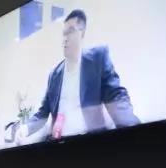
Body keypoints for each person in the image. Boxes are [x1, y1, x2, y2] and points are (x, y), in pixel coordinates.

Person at [20, 9, 139, 143]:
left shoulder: (97, 59)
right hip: (58, 144)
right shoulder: (54, 75)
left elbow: (115, 95)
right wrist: (25, 129)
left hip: (90, 143)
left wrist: (131, 127)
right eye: (64, 33)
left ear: (82, 33)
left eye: (70, 31)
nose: (65, 38)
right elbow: (43, 113)